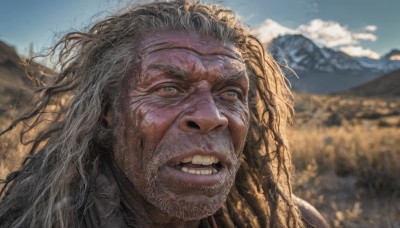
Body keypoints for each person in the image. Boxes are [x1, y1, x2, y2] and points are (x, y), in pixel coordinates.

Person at [0, 0, 329, 227]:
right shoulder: (35, 221)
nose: (211, 116)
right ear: (106, 115)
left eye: (230, 92)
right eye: (168, 89)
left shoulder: (293, 223)